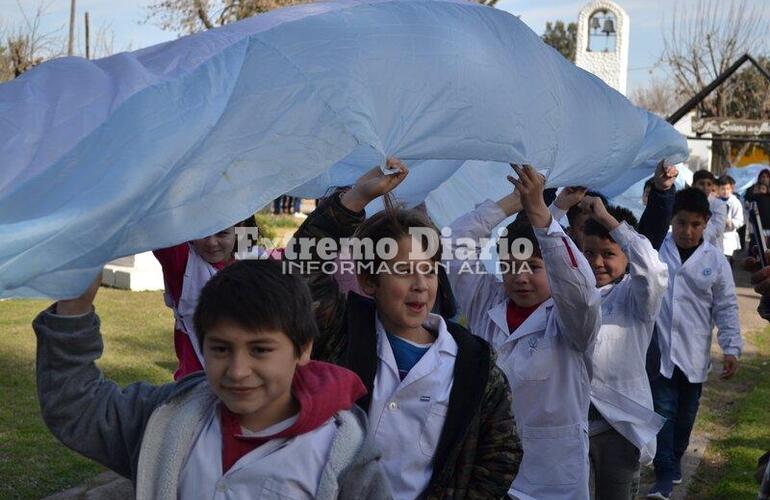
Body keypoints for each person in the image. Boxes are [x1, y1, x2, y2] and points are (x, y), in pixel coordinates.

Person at [33, 260, 390, 499]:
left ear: (303, 350)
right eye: (220, 349)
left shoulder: (343, 456)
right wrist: (74, 310)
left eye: (260, 350)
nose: (237, 371)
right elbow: (77, 407)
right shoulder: (166, 421)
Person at [287, 159, 521, 499]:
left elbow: (501, 455)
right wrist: (355, 198)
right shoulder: (342, 335)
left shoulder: (474, 364)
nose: (420, 285)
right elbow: (300, 273)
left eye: (428, 271)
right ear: (369, 281)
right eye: (402, 270)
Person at [447, 164, 601, 500]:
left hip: (552, 473)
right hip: (489, 468)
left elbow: (578, 284)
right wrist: (511, 203)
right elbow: (457, 243)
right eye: (511, 266)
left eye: (532, 266)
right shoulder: (486, 301)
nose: (520, 276)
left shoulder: (572, 320)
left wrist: (542, 215)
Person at [646, 188, 743, 500]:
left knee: (686, 416)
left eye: (695, 225)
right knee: (662, 411)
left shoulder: (715, 261)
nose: (687, 231)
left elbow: (726, 306)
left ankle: (675, 460)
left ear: (706, 224)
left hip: (694, 354)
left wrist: (731, 347)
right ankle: (662, 472)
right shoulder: (657, 250)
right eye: (681, 223)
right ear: (672, 220)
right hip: (660, 351)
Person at [578, 197, 668, 499]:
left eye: (608, 253)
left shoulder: (635, 297)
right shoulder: (571, 294)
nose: (597, 262)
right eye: (588, 252)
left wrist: (609, 220)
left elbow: (653, 271)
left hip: (619, 427)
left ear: (626, 256)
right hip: (573, 423)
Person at [153, 216, 259, 379]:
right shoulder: (182, 263)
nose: (211, 242)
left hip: (245, 381)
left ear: (239, 229)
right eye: (203, 232)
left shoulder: (252, 259)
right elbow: (159, 222)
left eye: (221, 233)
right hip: (197, 385)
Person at [716, 175, 744, 262]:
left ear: (731, 189)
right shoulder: (715, 201)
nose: (725, 191)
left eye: (727, 189)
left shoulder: (735, 202)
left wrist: (730, 222)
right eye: (722, 189)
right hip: (716, 237)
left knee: (726, 263)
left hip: (728, 238)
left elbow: (740, 221)